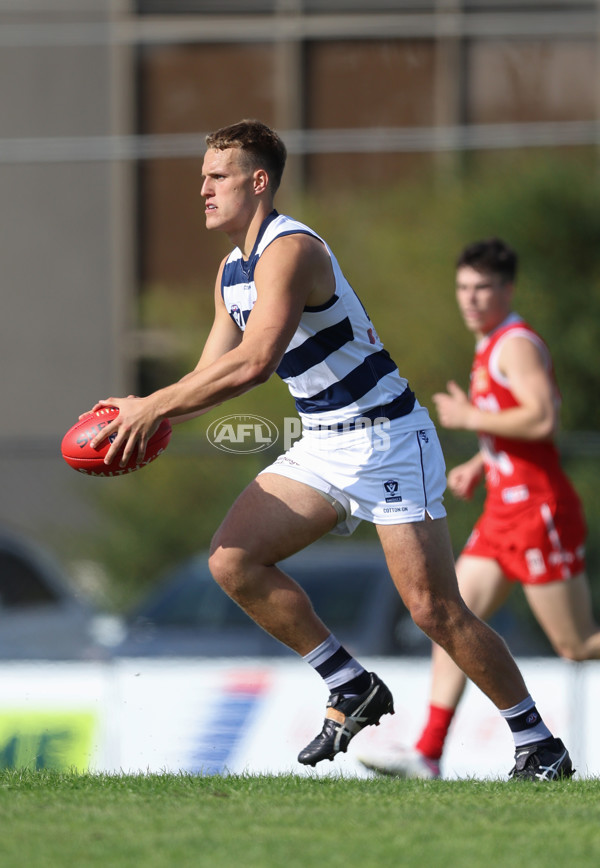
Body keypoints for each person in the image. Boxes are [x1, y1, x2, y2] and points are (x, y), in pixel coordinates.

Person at [87, 123, 572, 779]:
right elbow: (210, 376)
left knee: (434, 609)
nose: (201, 188)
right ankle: (350, 683)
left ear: (258, 181)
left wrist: (153, 405)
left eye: (217, 176)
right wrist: (149, 418)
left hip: (389, 438)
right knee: (233, 562)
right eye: (202, 176)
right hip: (324, 443)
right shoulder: (231, 272)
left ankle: (538, 742)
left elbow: (255, 364)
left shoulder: (291, 249)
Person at [359, 237, 597, 780]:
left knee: (576, 644)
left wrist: (469, 420)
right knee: (451, 617)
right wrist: (484, 464)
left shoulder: (515, 343)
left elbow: (543, 421)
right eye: (464, 287)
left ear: (507, 290)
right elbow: (517, 433)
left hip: (539, 511)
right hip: (503, 514)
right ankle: (427, 752)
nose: (471, 298)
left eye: (483, 287)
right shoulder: (490, 344)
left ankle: (436, 751)